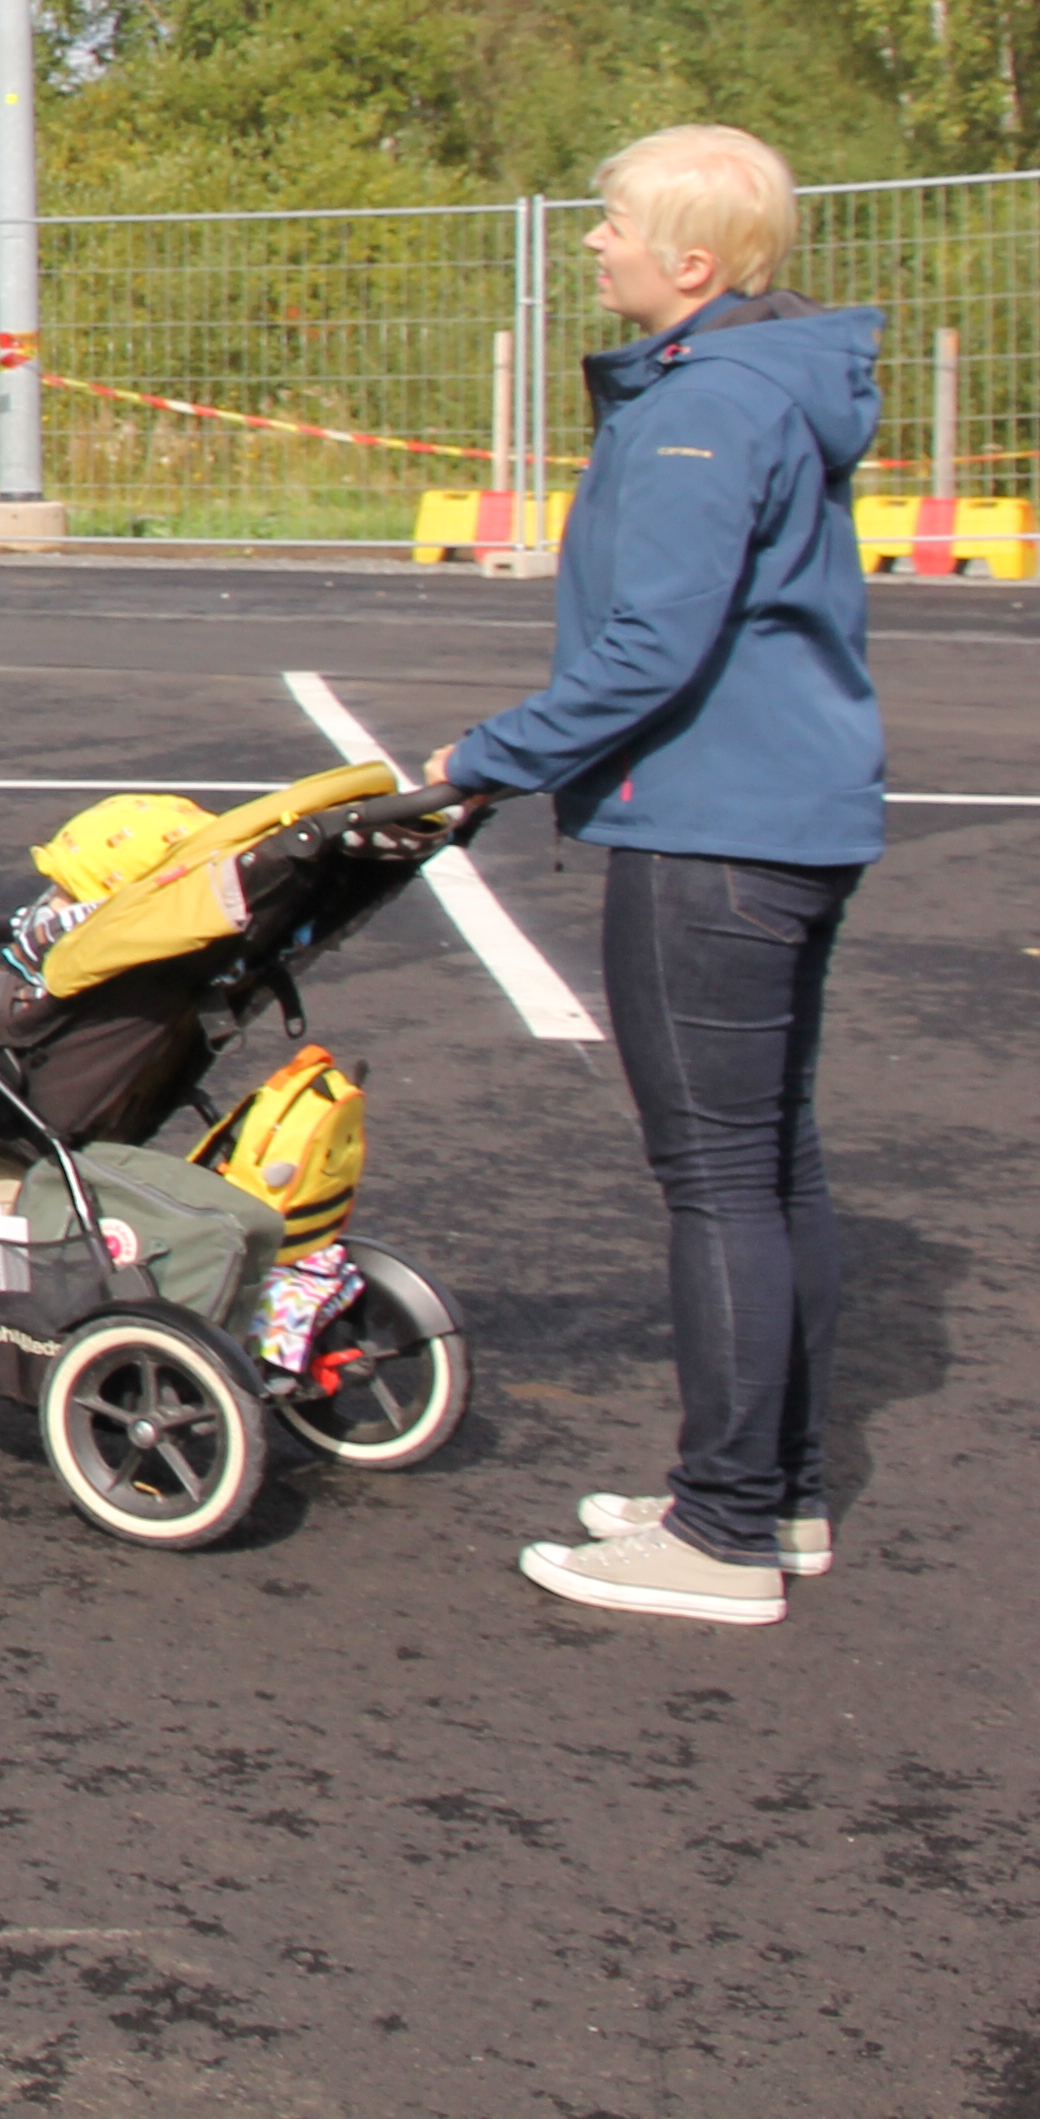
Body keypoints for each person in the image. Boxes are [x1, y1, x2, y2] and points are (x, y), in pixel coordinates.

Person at [433, 126, 883, 1630]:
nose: (593, 242)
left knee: (716, 1183)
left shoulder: (710, 412)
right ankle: (779, 1489)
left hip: (712, 834)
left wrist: (482, 758)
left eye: (614, 222)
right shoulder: (763, 383)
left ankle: (723, 1532)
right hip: (792, 821)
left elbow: (652, 648)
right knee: (772, 1166)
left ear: (693, 262)